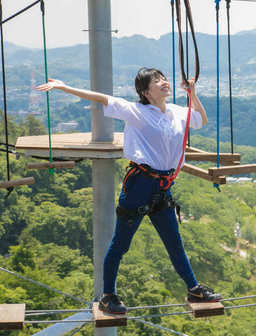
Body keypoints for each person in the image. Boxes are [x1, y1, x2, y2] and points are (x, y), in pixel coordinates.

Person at [36, 68, 222, 314]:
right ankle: (108, 295)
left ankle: (194, 288)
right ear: (146, 92)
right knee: (121, 244)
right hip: (140, 185)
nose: (164, 82)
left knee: (174, 242)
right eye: (157, 81)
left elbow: (201, 119)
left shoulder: (177, 112)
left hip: (162, 187)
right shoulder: (136, 111)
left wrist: (192, 93)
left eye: (163, 78)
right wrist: (64, 87)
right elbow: (101, 98)